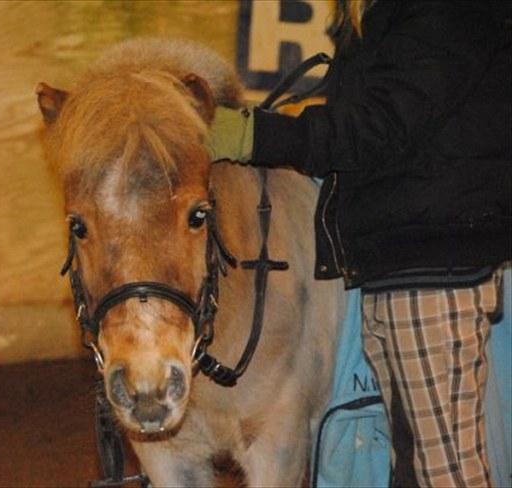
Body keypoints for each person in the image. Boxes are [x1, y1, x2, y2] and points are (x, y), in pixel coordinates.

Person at [206, 1, 511, 487]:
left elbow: (376, 128)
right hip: (399, 261)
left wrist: (253, 135)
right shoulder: (383, 17)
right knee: (413, 465)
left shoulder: (442, 13)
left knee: (445, 470)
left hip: (430, 266)